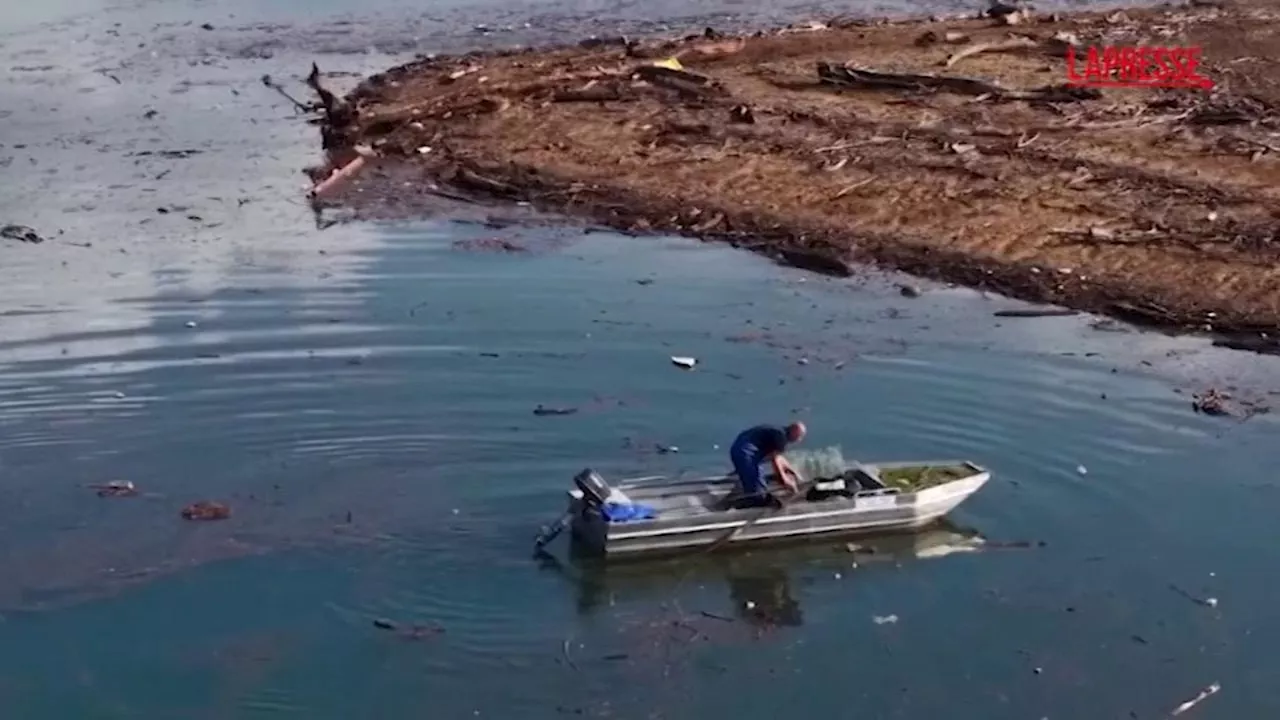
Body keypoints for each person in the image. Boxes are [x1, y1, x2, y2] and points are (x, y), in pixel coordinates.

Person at [728, 422, 806, 509]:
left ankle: (742, 477)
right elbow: (775, 461)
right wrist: (785, 481)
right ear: (794, 432)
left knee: (758, 480)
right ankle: (741, 505)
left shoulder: (780, 433)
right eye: (800, 436)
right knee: (758, 495)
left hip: (742, 449)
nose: (799, 440)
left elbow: (780, 458)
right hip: (745, 452)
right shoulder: (781, 437)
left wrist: (794, 473)